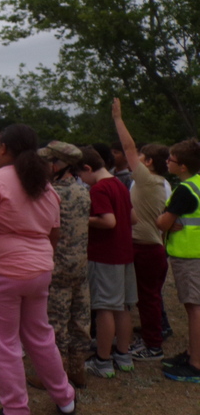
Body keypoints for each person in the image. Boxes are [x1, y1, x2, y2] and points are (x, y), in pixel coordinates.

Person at [0, 124, 75, 415]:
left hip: (0, 274)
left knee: (4, 345)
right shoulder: (45, 187)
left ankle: (15, 409)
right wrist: (40, 262)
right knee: (41, 337)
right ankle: (65, 399)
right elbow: (54, 232)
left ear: (2, 148)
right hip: (39, 272)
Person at [29, 140, 91, 390]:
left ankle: (55, 375)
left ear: (58, 165)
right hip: (80, 265)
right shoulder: (82, 190)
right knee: (80, 318)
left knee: (55, 322)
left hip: (57, 266)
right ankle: (77, 370)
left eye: (47, 162)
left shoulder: (50, 194)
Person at [112, 98, 170, 361]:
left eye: (142, 158)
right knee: (147, 298)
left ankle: (153, 346)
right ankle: (150, 339)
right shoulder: (157, 182)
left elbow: (128, 147)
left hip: (146, 250)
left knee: (147, 299)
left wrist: (118, 119)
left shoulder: (147, 180)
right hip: (149, 248)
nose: (136, 160)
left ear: (149, 162)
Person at [77, 146, 137, 378]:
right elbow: (133, 218)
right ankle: (123, 355)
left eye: (80, 175)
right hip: (125, 254)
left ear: (87, 168)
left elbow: (109, 221)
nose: (81, 180)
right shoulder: (119, 185)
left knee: (104, 309)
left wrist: (83, 217)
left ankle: (102, 361)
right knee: (122, 307)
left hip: (105, 256)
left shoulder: (99, 189)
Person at [157, 139, 200, 383]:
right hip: (195, 254)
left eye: (170, 159)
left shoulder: (185, 190)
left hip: (190, 256)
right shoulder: (198, 183)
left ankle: (196, 365)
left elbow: (163, 223)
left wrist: (162, 219)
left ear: (182, 166)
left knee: (195, 309)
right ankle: (193, 353)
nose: (167, 162)